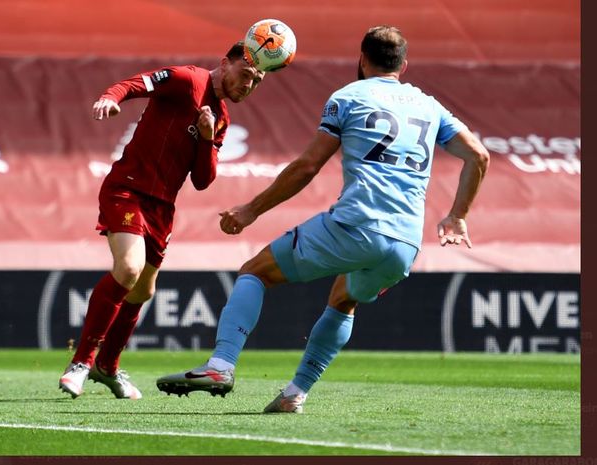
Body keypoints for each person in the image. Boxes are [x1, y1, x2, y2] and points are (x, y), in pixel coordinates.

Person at [156, 26, 489, 412]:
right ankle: (295, 394)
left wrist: (250, 211)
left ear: (362, 58)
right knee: (343, 300)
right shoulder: (429, 105)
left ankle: (220, 364)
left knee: (255, 272)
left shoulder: (348, 97)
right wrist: (457, 216)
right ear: (404, 65)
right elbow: (478, 156)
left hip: (355, 225)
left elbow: (307, 167)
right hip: (405, 244)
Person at [59, 42, 266, 399]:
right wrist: (111, 97)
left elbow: (203, 180)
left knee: (144, 289)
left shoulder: (220, 120)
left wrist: (204, 139)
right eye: (245, 74)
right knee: (128, 268)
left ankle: (108, 367)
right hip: (127, 190)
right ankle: (81, 362)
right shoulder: (187, 80)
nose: (247, 85)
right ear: (225, 64)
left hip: (162, 208)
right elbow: (135, 83)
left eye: (256, 81)